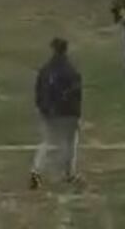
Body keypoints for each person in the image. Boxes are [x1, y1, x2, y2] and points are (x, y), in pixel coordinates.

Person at [30, 38, 82, 190]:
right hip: (67, 114)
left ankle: (36, 170)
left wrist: (42, 108)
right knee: (70, 144)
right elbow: (75, 93)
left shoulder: (45, 69)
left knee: (46, 142)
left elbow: (38, 91)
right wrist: (77, 114)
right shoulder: (71, 70)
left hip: (49, 113)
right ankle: (69, 173)